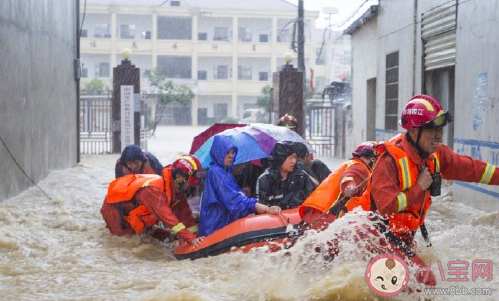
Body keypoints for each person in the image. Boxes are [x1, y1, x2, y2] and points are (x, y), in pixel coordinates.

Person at [368, 94, 499, 249]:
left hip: (402, 239)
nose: (439, 135)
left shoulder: (436, 154)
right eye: (432, 129)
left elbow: (471, 169)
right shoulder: (389, 162)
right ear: (414, 132)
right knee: (427, 274)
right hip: (376, 240)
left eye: (440, 129)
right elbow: (386, 207)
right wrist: (419, 187)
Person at [101, 154, 205, 246]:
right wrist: (191, 239)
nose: (190, 187)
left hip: (133, 211)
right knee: (127, 243)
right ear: (179, 177)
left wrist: (195, 235)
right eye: (189, 183)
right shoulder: (155, 191)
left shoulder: (176, 191)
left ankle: (152, 232)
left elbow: (185, 215)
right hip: (114, 210)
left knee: (164, 236)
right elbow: (168, 218)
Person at [198, 135, 281, 237]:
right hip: (215, 226)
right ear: (219, 153)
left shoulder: (225, 172)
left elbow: (235, 194)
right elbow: (233, 201)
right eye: (227, 152)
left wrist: (247, 197)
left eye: (233, 152)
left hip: (222, 222)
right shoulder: (216, 172)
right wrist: (259, 206)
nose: (231, 156)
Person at [299, 141, 380, 229]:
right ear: (372, 159)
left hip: (314, 214)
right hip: (328, 218)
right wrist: (349, 186)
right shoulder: (361, 168)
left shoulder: (350, 164)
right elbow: (348, 176)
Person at [256, 141, 317, 209]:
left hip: (297, 216)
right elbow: (261, 207)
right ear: (281, 159)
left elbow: (313, 193)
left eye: (295, 157)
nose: (293, 161)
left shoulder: (300, 175)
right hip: (276, 218)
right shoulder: (265, 179)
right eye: (290, 158)